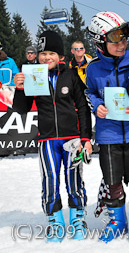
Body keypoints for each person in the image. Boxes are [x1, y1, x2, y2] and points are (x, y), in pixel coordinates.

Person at [12, 30, 92, 242]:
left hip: (72, 139)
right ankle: (55, 220)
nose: (46, 57)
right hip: (47, 138)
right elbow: (21, 109)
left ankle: (77, 217)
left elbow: (83, 108)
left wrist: (85, 139)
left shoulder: (71, 75)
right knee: (50, 179)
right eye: (43, 53)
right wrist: (19, 89)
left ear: (61, 57)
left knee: (73, 178)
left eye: (52, 53)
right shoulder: (32, 76)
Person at [85, 11, 129, 244]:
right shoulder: (93, 68)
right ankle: (117, 221)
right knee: (112, 181)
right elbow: (90, 92)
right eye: (115, 38)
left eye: (124, 36)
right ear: (99, 41)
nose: (122, 43)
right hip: (108, 134)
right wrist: (97, 105)